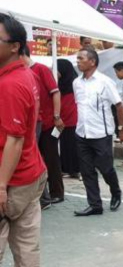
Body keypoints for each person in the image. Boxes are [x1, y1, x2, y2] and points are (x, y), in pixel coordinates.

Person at [0, 13, 47, 267]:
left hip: (14, 177)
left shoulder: (10, 84)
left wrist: (1, 185)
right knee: (27, 240)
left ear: (14, 46)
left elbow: (14, 139)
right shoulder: (26, 75)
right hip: (32, 173)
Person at [73, 46, 123, 216]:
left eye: (81, 58)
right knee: (87, 171)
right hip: (82, 133)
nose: (78, 61)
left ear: (92, 62)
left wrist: (121, 129)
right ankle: (95, 205)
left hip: (101, 134)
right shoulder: (76, 83)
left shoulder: (105, 82)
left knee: (106, 168)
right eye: (78, 58)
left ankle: (116, 192)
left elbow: (119, 105)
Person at [20, 48, 65, 208]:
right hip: (33, 124)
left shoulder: (40, 69)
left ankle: (56, 193)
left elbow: (55, 93)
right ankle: (41, 196)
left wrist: (56, 116)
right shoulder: (23, 72)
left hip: (47, 123)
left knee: (51, 157)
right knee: (36, 158)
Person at [57, 59, 80, 180]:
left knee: (72, 146)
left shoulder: (75, 84)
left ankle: (75, 169)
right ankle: (65, 168)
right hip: (60, 120)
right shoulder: (58, 83)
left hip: (72, 121)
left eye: (58, 69)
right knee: (64, 145)